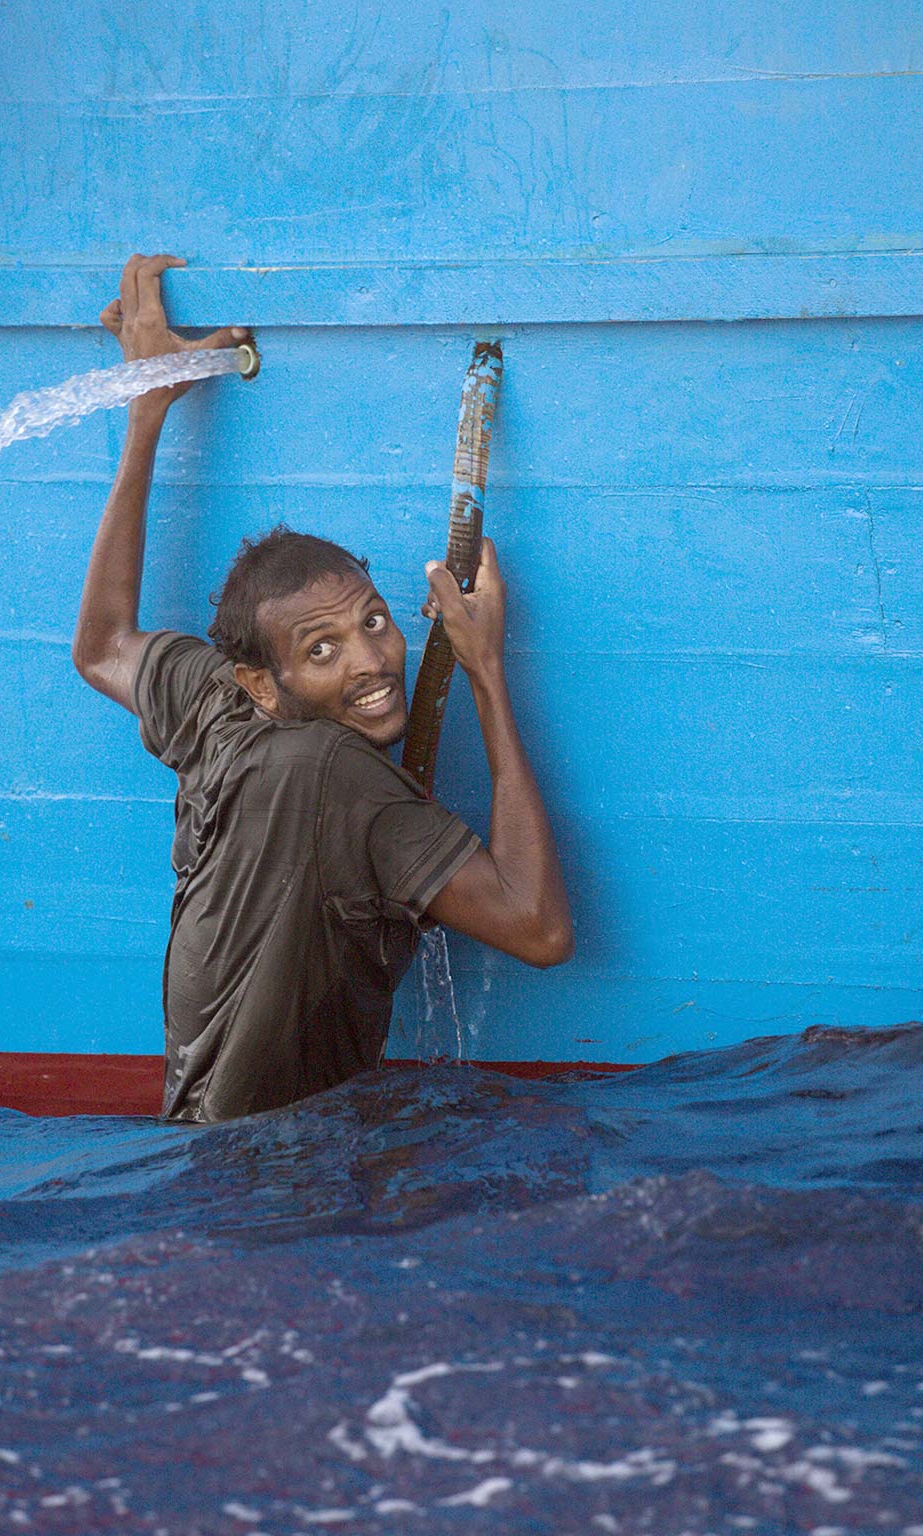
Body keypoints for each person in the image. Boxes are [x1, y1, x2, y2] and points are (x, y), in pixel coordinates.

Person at [73, 253, 572, 1123]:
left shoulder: (215, 705)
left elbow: (101, 645)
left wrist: (146, 407)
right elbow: (539, 929)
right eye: (324, 650)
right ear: (264, 684)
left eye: (374, 622)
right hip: (285, 1183)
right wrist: (488, 671)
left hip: (198, 1150)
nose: (371, 664)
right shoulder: (342, 778)